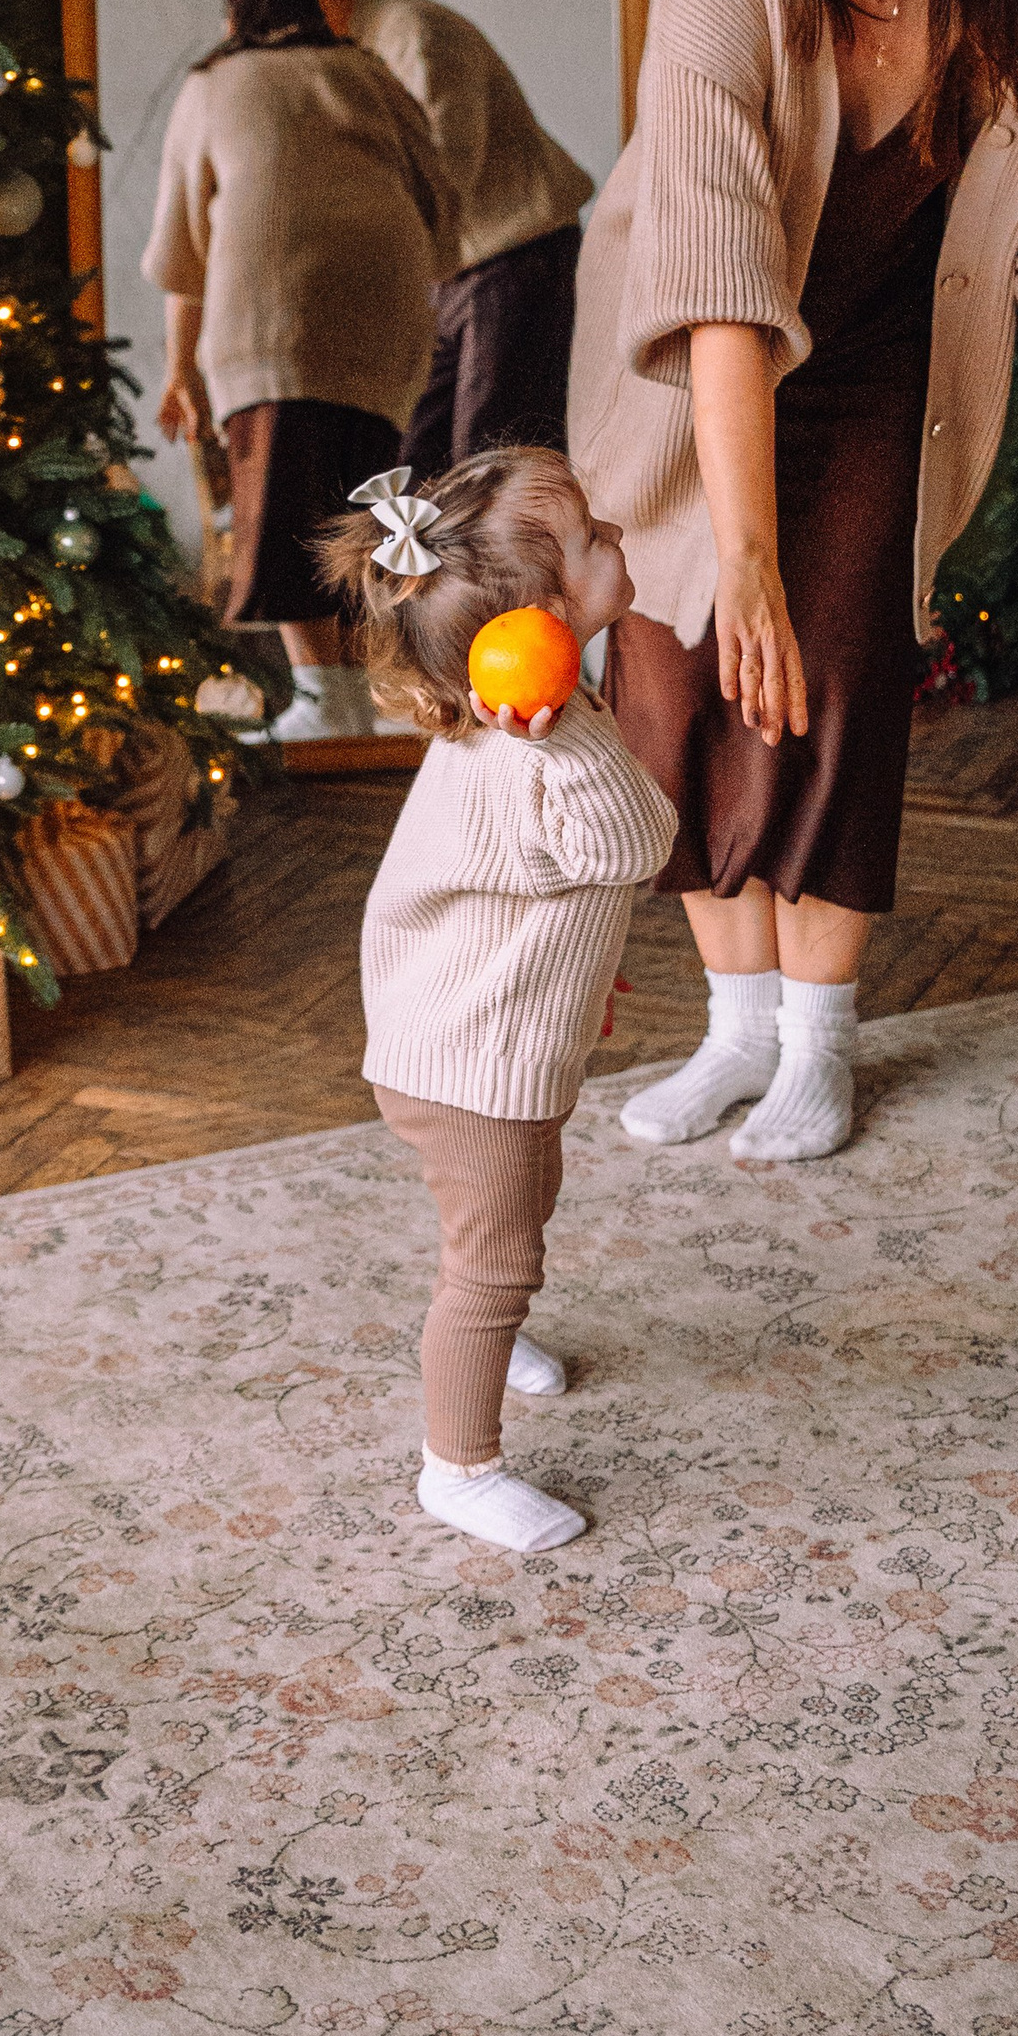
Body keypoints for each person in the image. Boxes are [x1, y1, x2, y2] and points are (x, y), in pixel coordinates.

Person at [572, 0, 1018, 1169]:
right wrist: (740, 550)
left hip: (885, 383)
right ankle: (736, 1033)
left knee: (828, 688)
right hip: (690, 377)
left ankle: (817, 1046)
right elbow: (711, 281)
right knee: (679, 691)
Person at [322, 448, 677, 1555]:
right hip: (469, 1064)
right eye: (590, 543)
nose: (615, 536)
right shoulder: (541, 744)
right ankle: (458, 1468)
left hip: (459, 1034)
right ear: (532, 627)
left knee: (511, 1210)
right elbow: (640, 845)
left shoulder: (510, 720)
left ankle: (486, 1322)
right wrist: (570, 744)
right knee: (497, 1255)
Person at [144, 0, 457, 741]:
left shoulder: (214, 84)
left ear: (232, 12)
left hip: (271, 320)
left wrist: (180, 369)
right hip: (386, 325)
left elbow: (183, 253)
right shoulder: (372, 75)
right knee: (371, 500)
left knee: (282, 504)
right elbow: (442, 206)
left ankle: (325, 698)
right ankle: (369, 698)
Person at [243, 0, 597, 470]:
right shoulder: (343, 60)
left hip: (514, 262)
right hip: (443, 279)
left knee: (490, 468)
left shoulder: (413, 34)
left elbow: (445, 174)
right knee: (413, 466)